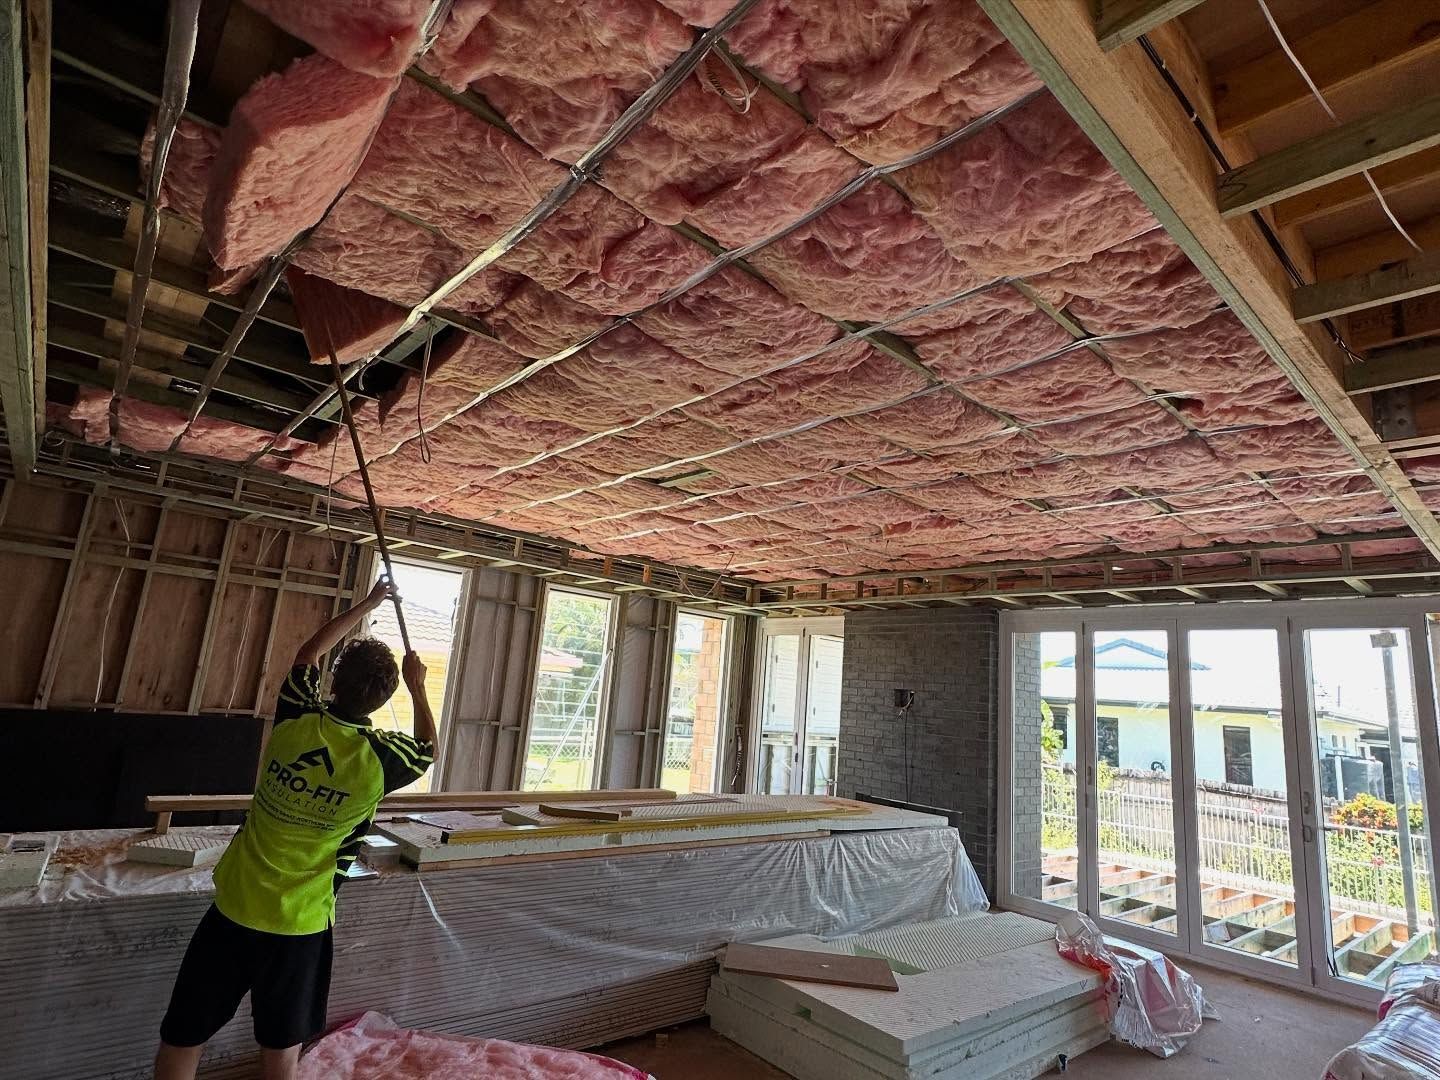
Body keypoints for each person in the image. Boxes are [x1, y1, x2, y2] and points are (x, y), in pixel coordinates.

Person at [154, 577, 436, 1080]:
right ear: (382, 698)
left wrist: (368, 604)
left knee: (184, 1035)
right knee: (282, 1048)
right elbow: (428, 748)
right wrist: (418, 688)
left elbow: (308, 652)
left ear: (333, 684)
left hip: (234, 908)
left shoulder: (294, 719)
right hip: (301, 925)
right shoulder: (382, 760)